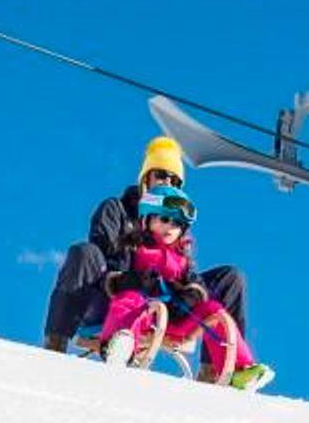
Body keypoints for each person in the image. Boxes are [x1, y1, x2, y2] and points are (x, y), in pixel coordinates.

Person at [41, 135, 250, 352]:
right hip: (112, 300)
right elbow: (99, 257)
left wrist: (191, 292)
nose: (167, 183)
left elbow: (185, 269)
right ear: (145, 178)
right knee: (84, 252)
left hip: (164, 306)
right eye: (161, 175)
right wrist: (127, 278)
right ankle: (56, 341)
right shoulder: (116, 209)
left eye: (174, 180)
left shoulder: (175, 223)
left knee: (231, 278)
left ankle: (222, 364)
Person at [98, 185, 274, 392]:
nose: (169, 227)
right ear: (146, 220)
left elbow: (197, 283)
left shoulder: (182, 259)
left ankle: (239, 369)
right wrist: (132, 280)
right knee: (129, 298)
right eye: (164, 219)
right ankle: (118, 344)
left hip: (175, 317)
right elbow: (113, 274)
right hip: (144, 317)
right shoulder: (133, 247)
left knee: (214, 309)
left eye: (176, 224)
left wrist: (191, 295)